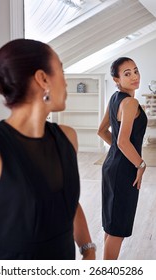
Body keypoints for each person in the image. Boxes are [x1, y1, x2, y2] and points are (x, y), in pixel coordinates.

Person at [0, 38, 96, 260]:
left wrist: (88, 249)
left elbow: (66, 204)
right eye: (61, 71)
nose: (65, 83)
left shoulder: (67, 137)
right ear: (43, 79)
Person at [97, 57, 147, 260]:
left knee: (112, 225)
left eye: (135, 71)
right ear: (116, 79)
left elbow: (101, 131)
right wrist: (140, 164)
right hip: (124, 172)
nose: (134, 76)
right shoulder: (130, 102)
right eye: (127, 73)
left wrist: (118, 152)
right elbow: (123, 141)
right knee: (117, 229)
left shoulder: (114, 98)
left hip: (111, 167)